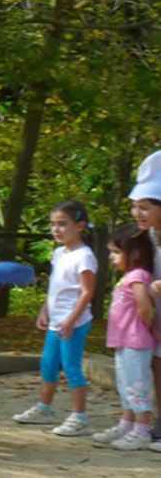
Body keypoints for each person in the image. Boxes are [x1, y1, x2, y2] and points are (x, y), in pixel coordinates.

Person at [11, 200, 97, 436]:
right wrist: (45, 309)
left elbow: (87, 292)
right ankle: (44, 408)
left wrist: (71, 321)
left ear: (80, 226)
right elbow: (56, 287)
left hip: (74, 323)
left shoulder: (85, 256)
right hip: (56, 322)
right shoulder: (59, 252)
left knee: (71, 368)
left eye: (63, 224)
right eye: (53, 224)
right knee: (48, 365)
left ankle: (79, 417)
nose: (56, 230)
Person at [90, 224, 156, 450]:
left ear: (134, 252)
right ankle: (126, 424)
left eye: (116, 252)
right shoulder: (128, 276)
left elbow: (144, 308)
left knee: (138, 385)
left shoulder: (138, 275)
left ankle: (141, 430)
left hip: (135, 341)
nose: (112, 257)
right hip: (123, 341)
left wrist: (143, 328)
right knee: (125, 384)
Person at [128, 149, 161, 446]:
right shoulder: (148, 237)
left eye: (145, 207)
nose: (138, 214)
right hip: (156, 313)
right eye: (135, 206)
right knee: (156, 367)